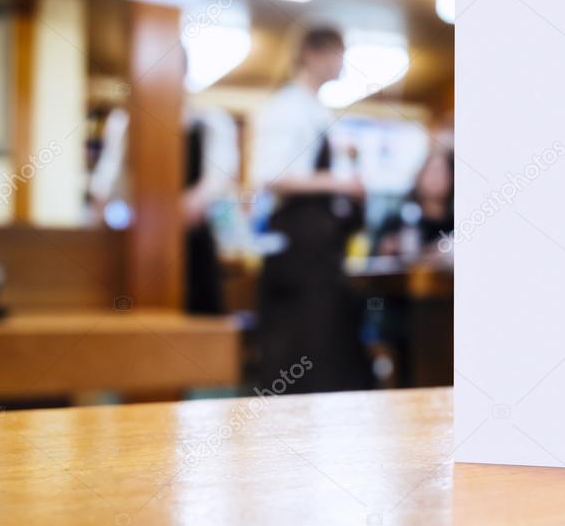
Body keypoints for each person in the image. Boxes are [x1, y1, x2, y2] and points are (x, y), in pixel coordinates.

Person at [251, 26, 373, 393]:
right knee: (299, 347)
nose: (341, 63)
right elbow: (269, 174)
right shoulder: (288, 106)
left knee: (329, 343)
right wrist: (339, 183)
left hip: (323, 250)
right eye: (337, 53)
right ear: (311, 53)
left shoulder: (316, 109)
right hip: (299, 250)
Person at [88, 104, 238, 313]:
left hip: (194, 240)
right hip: (140, 239)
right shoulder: (124, 121)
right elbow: (108, 180)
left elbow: (218, 178)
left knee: (200, 315)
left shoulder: (209, 121)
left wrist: (184, 208)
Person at [374, 147, 454, 258]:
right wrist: (387, 249)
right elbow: (376, 255)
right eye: (431, 171)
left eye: (442, 173)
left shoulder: (456, 223)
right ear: (420, 175)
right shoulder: (399, 219)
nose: (435, 179)